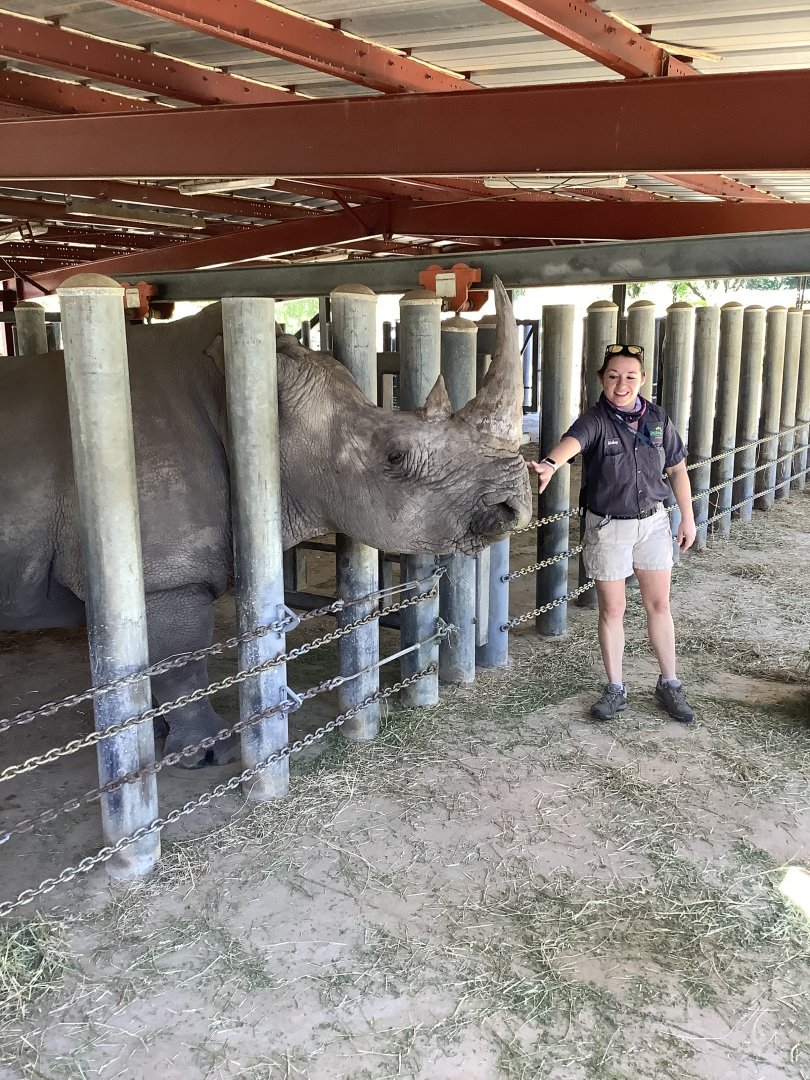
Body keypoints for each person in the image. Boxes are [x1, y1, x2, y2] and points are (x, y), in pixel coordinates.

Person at [528, 343, 697, 723]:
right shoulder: (595, 419)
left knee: (660, 606)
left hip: (653, 522)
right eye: (613, 376)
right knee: (613, 610)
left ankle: (669, 683)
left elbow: (677, 470)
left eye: (630, 376)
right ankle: (615, 688)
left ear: (642, 380)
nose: (621, 384)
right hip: (608, 528)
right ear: (602, 378)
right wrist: (551, 465)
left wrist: (687, 518)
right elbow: (572, 443)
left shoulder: (657, 418)